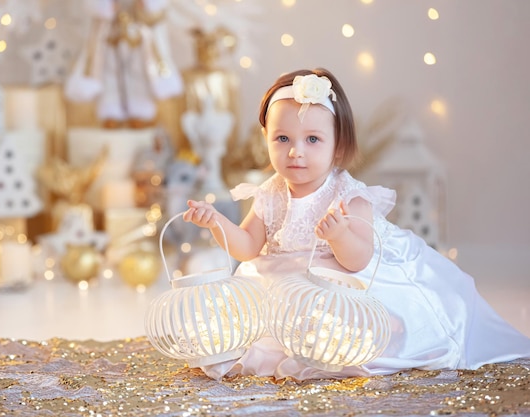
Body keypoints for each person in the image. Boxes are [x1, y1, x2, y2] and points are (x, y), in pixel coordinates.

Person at [182, 67, 530, 381]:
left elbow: (359, 261)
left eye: (312, 140)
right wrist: (217, 224)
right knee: (246, 324)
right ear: (267, 141)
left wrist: (339, 235)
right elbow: (247, 247)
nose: (295, 152)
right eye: (282, 139)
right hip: (289, 283)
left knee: (344, 330)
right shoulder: (270, 194)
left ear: (337, 147)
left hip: (344, 280)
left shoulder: (349, 198)